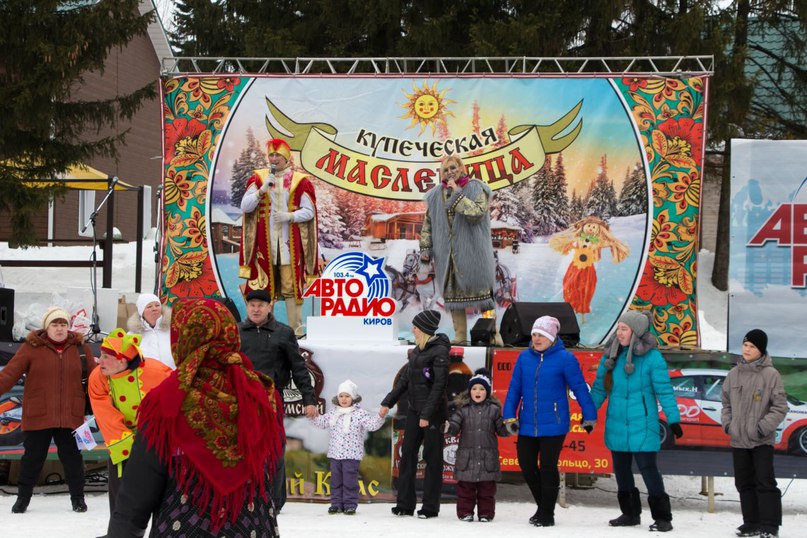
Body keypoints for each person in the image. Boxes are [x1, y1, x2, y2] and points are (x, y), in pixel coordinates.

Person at [104, 298, 283, 537]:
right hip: (253, 525)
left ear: (184, 338)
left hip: (185, 526)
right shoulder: (261, 393)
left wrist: (122, 532)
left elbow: (141, 484)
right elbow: (275, 469)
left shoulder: (166, 400)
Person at [590, 310, 683, 533]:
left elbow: (665, 392)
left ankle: (662, 517)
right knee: (621, 471)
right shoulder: (610, 356)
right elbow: (599, 389)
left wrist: (674, 420)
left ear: (636, 332)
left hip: (643, 424)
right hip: (617, 423)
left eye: (624, 329)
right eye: (618, 328)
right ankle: (630, 513)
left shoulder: (652, 358)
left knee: (648, 469)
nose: (619, 333)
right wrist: (588, 414)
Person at [502, 316, 597, 527]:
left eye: (541, 335)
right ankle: (543, 507)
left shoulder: (565, 358)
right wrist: (509, 415)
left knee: (547, 467)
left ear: (552, 337)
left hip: (554, 422)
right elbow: (514, 390)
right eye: (534, 334)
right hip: (527, 422)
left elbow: (579, 388)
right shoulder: (524, 358)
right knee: (526, 465)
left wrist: (589, 415)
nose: (536, 339)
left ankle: (546, 514)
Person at [0, 306, 96, 514]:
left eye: (63, 324)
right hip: (38, 414)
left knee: (72, 458)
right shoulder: (31, 347)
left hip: (71, 414)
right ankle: (22, 499)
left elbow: (97, 377)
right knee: (32, 459)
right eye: (55, 324)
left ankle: (78, 499)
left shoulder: (80, 348)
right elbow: (8, 375)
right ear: (47, 327)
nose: (60, 329)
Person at [239, 288, 319, 512]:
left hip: (272, 397)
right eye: (252, 305)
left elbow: (299, 368)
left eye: (260, 305)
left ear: (269, 307)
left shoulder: (283, 333)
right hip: (242, 399)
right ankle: (244, 496)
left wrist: (309, 400)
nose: (256, 309)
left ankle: (274, 500)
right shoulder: (236, 332)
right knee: (242, 448)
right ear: (247, 307)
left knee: (273, 447)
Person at [239, 137, 320, 337]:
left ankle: (297, 333)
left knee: (291, 289)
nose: (274, 159)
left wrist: (289, 216)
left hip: (288, 247)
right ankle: (263, 332)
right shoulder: (258, 178)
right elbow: (245, 206)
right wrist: (262, 190)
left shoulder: (300, 181)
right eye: (271, 155)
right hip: (263, 248)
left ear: (286, 158)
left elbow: (309, 212)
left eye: (278, 155)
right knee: (263, 291)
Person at [88, 328, 172, 512]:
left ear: (123, 360)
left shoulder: (157, 372)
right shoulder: (98, 377)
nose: (99, 361)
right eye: (100, 355)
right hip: (119, 438)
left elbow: (173, 403)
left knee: (161, 491)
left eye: (105, 357)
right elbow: (105, 414)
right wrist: (127, 444)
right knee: (121, 492)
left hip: (153, 436)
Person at [419, 154, 497, 345]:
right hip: (446, 254)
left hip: (474, 251)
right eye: (445, 170)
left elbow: (477, 214)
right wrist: (425, 247)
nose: (450, 173)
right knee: (453, 294)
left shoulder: (476, 187)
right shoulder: (436, 194)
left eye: (453, 168)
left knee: (483, 294)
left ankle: (493, 335)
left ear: (461, 168)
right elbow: (428, 223)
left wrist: (457, 195)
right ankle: (460, 336)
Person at [380, 309, 449, 519]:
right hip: (413, 411)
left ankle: (430, 506)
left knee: (432, 458)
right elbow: (404, 381)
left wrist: (426, 415)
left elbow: (439, 387)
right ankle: (405, 503)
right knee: (407, 454)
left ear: (425, 330)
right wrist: (387, 402)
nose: (413, 330)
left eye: (416, 327)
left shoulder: (440, 352)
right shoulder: (417, 351)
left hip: (432, 414)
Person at [721, 329, 787, 538]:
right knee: (743, 483)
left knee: (765, 482)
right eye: (745, 345)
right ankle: (751, 523)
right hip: (738, 440)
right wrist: (728, 425)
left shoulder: (771, 375)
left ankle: (769, 526)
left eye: (752, 346)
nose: (747, 349)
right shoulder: (734, 374)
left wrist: (761, 428)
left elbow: (780, 407)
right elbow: (725, 403)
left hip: (761, 441)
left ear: (761, 350)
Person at [310, 379, 385, 515]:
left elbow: (371, 425)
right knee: (336, 480)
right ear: (337, 398)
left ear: (354, 398)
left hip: (352, 454)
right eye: (341, 396)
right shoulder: (334, 413)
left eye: (347, 396)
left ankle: (350, 504)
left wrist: (380, 416)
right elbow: (322, 423)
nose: (344, 399)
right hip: (335, 454)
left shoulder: (360, 413)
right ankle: (336, 503)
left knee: (349, 480)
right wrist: (313, 416)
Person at [445, 368, 510, 522]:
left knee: (487, 490)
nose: (478, 392)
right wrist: (448, 427)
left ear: (487, 392)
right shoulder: (463, 410)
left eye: (481, 389)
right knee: (465, 489)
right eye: (474, 388)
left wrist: (509, 426)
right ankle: (465, 512)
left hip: (487, 458)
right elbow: (454, 426)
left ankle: (486, 514)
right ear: (470, 391)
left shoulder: (494, 410)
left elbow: (501, 431)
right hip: (467, 459)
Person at [126, 293, 175, 369]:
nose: (154, 308)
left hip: (172, 376)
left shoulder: (173, 329)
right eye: (149, 306)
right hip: (145, 378)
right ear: (141, 312)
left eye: (157, 305)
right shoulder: (132, 335)